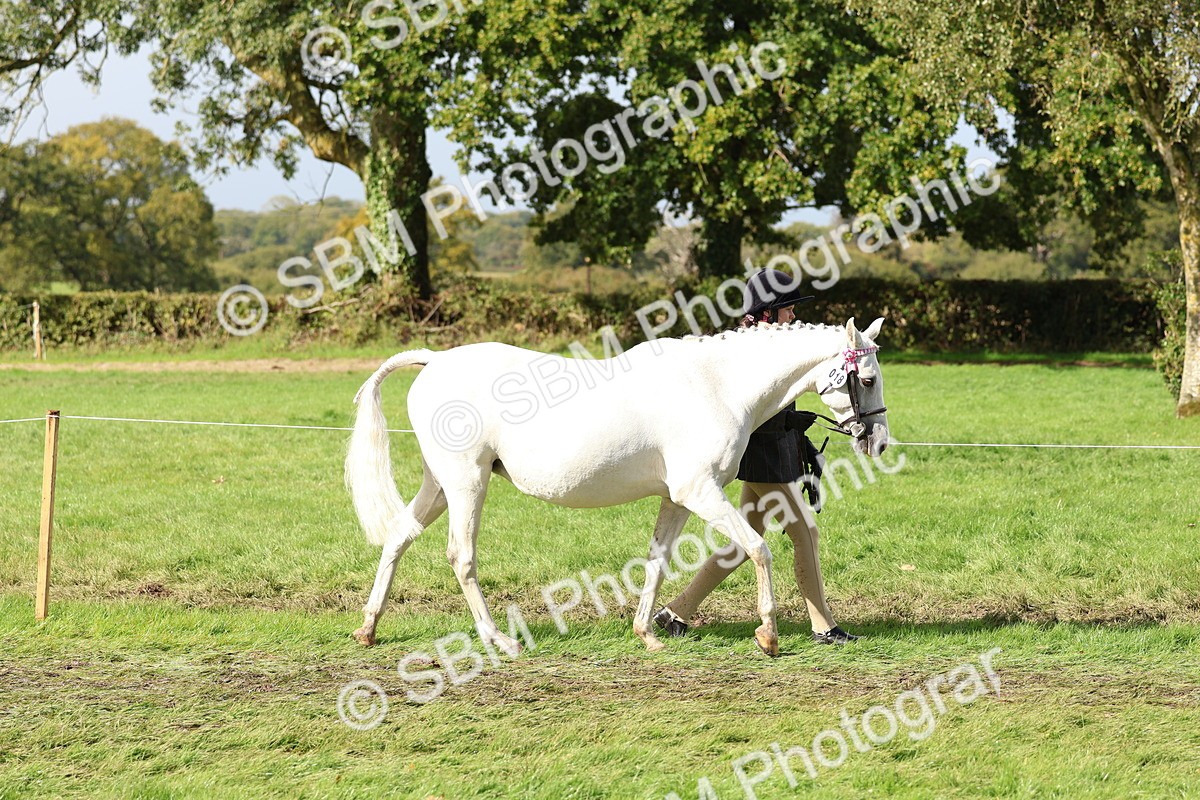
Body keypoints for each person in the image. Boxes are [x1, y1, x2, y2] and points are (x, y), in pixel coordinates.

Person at [653, 268, 859, 645]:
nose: (793, 316)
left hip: (773, 452)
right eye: (787, 309)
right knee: (806, 533)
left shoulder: (772, 342)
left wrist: (798, 430)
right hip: (763, 454)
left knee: (743, 540)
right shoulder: (755, 346)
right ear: (767, 311)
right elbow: (748, 410)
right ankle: (823, 627)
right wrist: (792, 421)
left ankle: (676, 612)